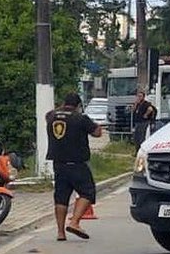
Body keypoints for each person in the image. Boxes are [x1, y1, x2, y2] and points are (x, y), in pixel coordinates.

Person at [47, 92, 103, 241]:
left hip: (58, 164)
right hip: (77, 163)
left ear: (64, 103)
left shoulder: (51, 116)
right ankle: (74, 222)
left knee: (61, 198)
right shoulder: (80, 118)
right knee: (88, 192)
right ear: (78, 106)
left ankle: (60, 233)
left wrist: (61, 110)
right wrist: (96, 125)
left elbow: (53, 113)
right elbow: (97, 133)